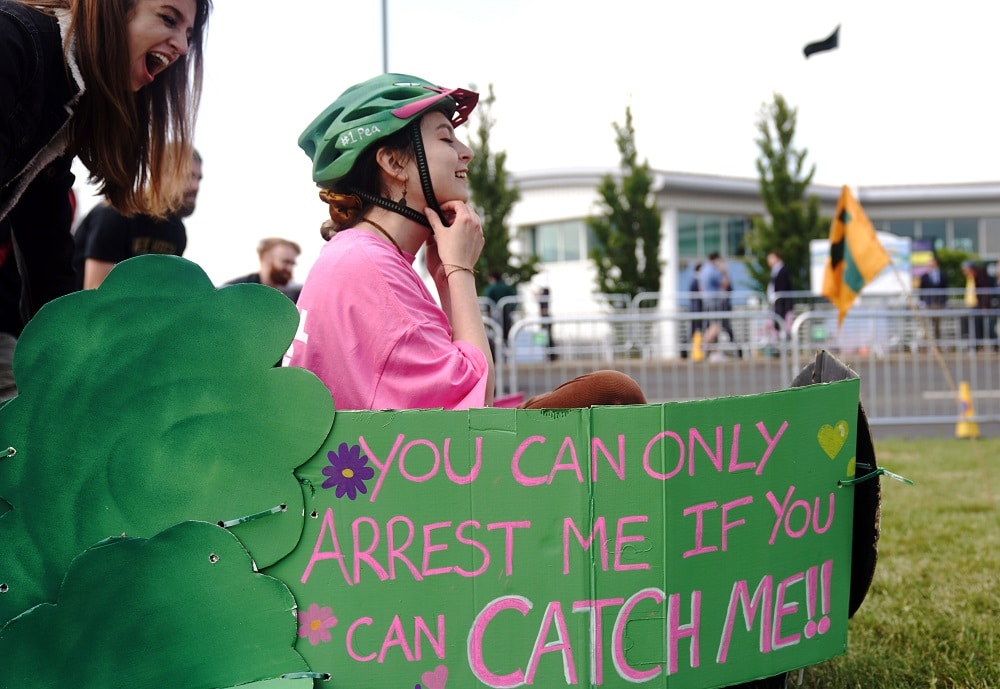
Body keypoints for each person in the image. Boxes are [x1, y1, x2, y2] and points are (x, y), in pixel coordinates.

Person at [286, 73, 643, 411]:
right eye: (446, 138)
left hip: (376, 465)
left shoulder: (357, 253)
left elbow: (458, 389)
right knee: (614, 392)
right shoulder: (371, 266)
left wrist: (445, 279)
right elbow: (470, 402)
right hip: (393, 472)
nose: (466, 151)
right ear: (394, 162)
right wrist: (460, 271)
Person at [1, 0, 211, 320]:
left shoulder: (62, 114)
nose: (183, 47)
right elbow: (92, 289)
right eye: (168, 19)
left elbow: (47, 256)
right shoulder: (12, 41)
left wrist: (70, 360)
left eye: (189, 35)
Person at [73, 148, 202, 289]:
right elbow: (96, 292)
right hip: (70, 308)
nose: (196, 186)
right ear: (162, 174)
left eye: (198, 178)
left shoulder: (176, 232)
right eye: (188, 176)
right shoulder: (116, 213)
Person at [224, 237, 303, 303]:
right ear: (266, 258)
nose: (289, 268)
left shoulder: (295, 295)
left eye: (292, 264)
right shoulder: (235, 291)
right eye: (285, 262)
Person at [918, 254, 948, 342]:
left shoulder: (942, 275)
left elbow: (945, 288)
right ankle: (925, 344)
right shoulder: (925, 276)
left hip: (939, 303)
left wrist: (945, 301)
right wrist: (922, 301)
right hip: (928, 302)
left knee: (937, 325)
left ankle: (937, 343)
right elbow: (921, 289)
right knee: (925, 325)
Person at [484, 269, 516, 345]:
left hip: (494, 315)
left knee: (495, 336)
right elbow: (514, 299)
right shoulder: (507, 287)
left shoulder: (491, 288)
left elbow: (487, 301)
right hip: (506, 314)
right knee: (507, 336)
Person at [766, 251, 794, 337]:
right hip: (777, 302)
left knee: (781, 324)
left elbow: (783, 287)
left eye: (771, 258)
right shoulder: (775, 271)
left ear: (777, 258)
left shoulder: (783, 270)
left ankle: (782, 343)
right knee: (776, 324)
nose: (768, 261)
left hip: (782, 303)